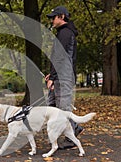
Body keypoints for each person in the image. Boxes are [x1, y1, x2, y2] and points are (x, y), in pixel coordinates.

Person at [45, 6, 84, 149]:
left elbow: (61, 57)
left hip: (64, 76)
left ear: (61, 16)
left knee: (62, 108)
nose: (51, 20)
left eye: (53, 17)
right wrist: (52, 74)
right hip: (60, 75)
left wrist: (53, 77)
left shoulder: (66, 33)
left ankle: (71, 136)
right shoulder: (63, 33)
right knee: (52, 106)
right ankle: (74, 128)